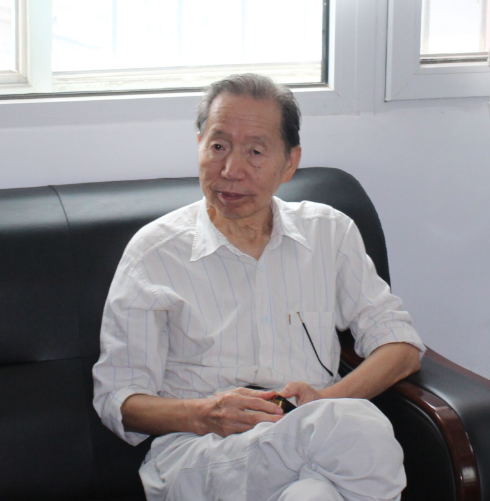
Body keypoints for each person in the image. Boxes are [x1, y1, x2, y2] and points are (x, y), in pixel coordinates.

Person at [93, 73, 425, 501]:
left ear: (289, 163)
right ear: (199, 146)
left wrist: (324, 400)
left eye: (254, 151)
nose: (231, 170)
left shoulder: (328, 233)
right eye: (218, 146)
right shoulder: (155, 253)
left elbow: (401, 347)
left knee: (314, 495)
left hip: (313, 447)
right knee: (360, 427)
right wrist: (206, 414)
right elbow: (117, 399)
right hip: (200, 454)